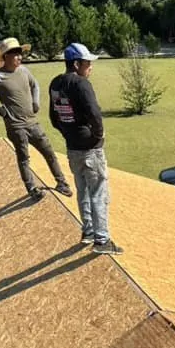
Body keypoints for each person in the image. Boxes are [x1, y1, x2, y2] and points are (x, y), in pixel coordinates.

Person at [0, 37, 72, 202]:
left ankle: (61, 183)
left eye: (20, 54)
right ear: (5, 57)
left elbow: (35, 86)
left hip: (33, 122)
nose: (19, 57)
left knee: (49, 153)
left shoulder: (25, 71)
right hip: (16, 126)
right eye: (15, 54)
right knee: (24, 158)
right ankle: (32, 189)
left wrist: (35, 101)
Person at [48, 43, 122, 254]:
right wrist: (98, 136)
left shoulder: (56, 83)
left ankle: (88, 232)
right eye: (88, 63)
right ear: (77, 63)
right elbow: (95, 114)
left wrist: (68, 134)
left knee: (83, 191)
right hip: (91, 149)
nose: (90, 67)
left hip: (72, 149)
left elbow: (54, 118)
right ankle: (102, 240)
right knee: (99, 192)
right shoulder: (81, 84)